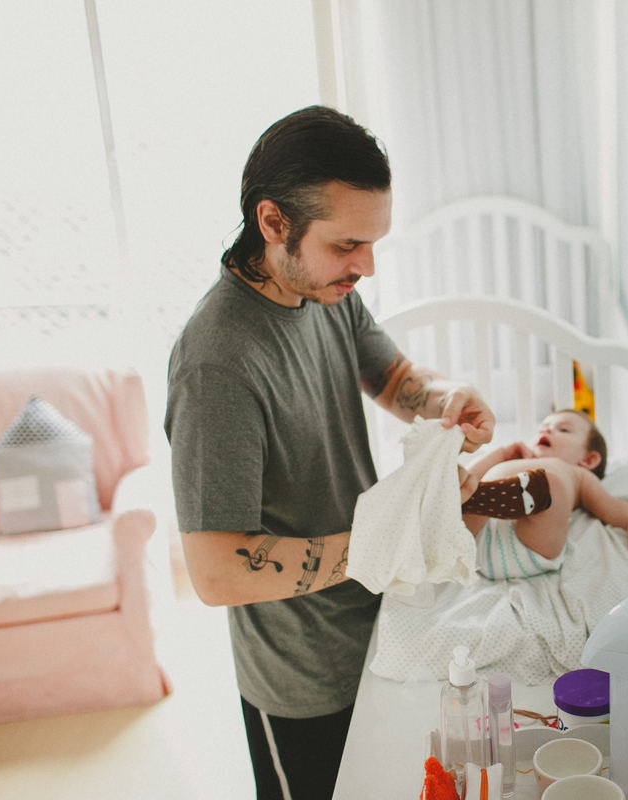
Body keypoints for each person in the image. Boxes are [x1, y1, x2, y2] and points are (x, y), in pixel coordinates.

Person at [164, 105, 494, 800]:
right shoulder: (217, 364)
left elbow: (394, 378)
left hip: (378, 625)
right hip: (302, 678)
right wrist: (387, 540)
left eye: (372, 244)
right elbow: (216, 572)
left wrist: (447, 401)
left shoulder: (325, 290)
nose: (365, 266)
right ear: (273, 222)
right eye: (348, 244)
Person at [458, 409, 628, 580]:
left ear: (588, 460)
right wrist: (501, 453)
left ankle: (477, 499)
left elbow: (610, 506)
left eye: (563, 429)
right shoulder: (516, 460)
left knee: (551, 484)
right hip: (478, 537)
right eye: (543, 427)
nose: (547, 430)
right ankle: (473, 500)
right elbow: (469, 476)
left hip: (526, 547)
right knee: (463, 480)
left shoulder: (579, 475)